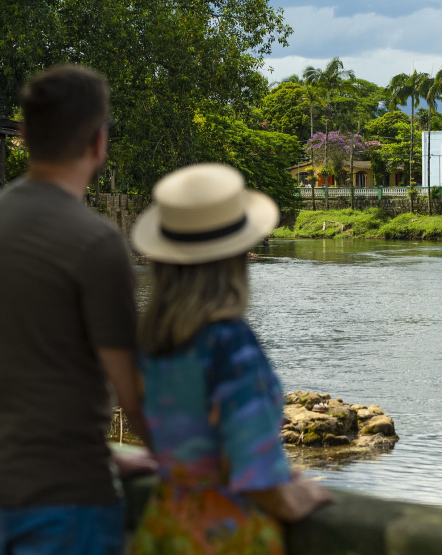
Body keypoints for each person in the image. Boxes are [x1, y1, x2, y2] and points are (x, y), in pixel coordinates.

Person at [0, 64, 153, 554]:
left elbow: (18, 371)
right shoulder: (95, 242)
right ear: (98, 142)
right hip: (63, 496)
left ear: (22, 136)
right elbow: (133, 393)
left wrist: (104, 454)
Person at [129, 164, 332, 554]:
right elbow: (254, 471)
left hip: (165, 524)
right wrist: (297, 498)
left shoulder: (153, 339)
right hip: (225, 535)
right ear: (235, 257)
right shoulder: (229, 344)